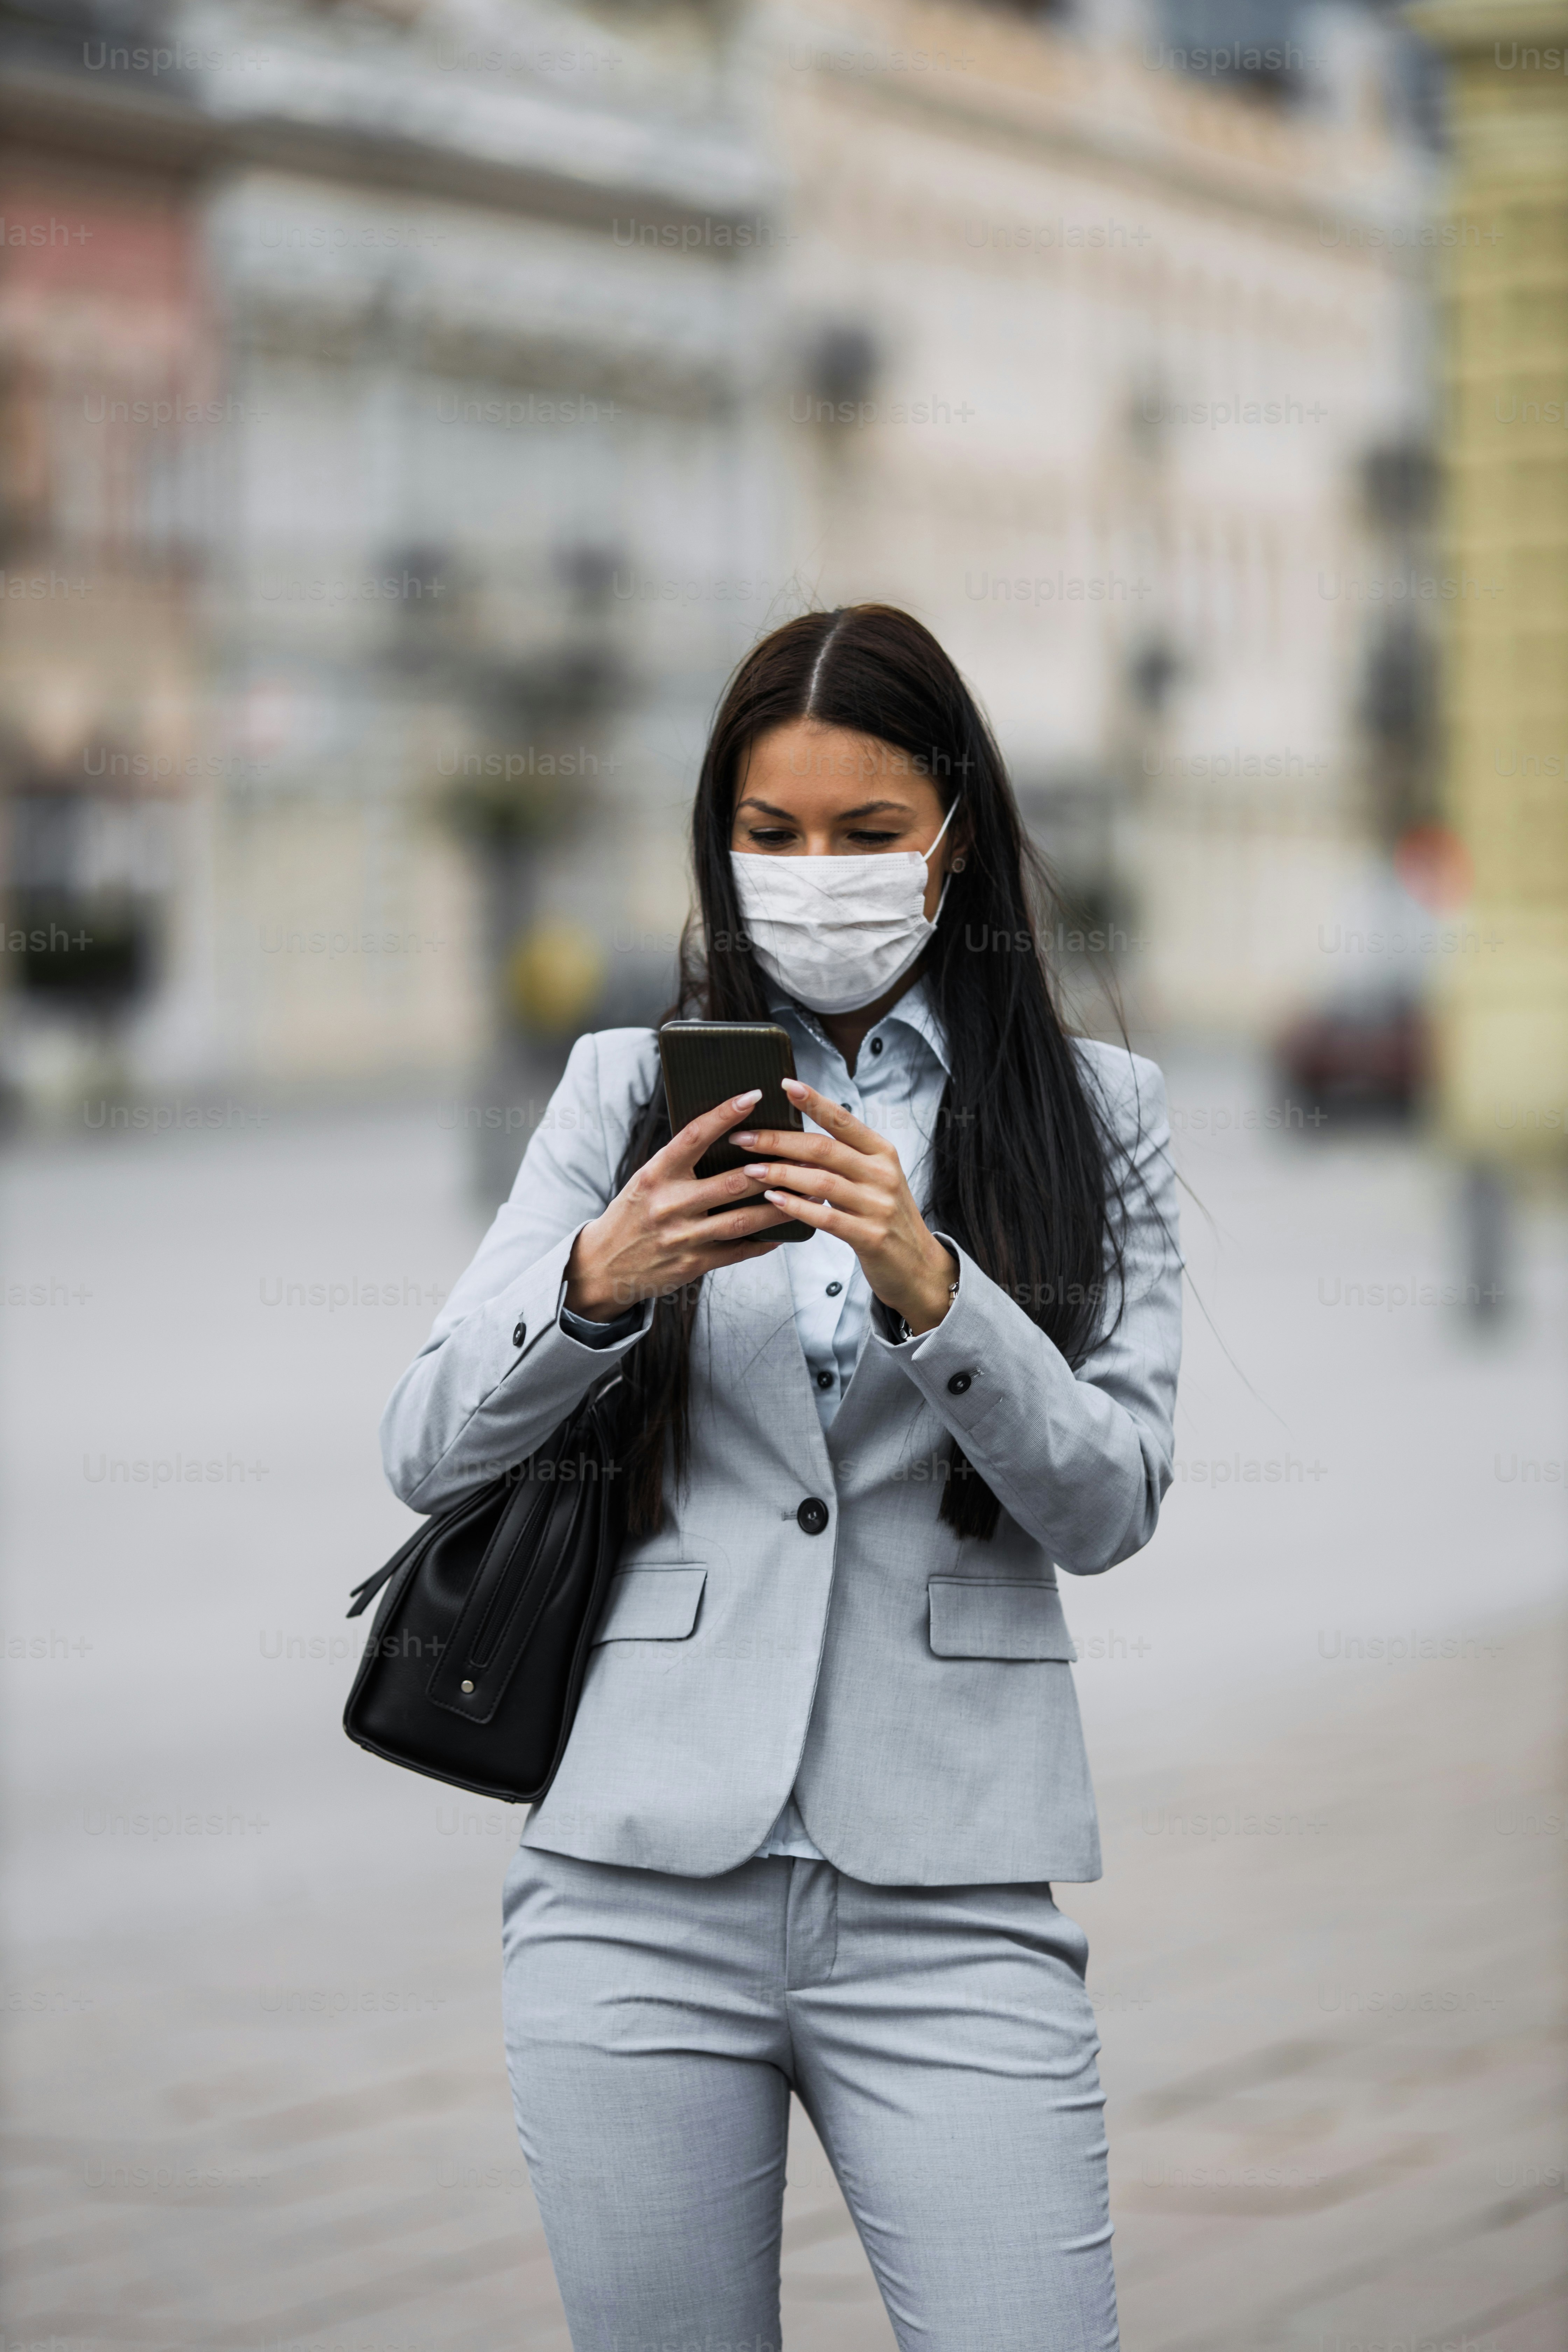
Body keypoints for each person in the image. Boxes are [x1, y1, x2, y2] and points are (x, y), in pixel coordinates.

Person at [380, 604, 1182, 2352]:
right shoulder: (619, 1094)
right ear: (719, 843)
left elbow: (1110, 1499)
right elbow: (426, 1441)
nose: (815, 875)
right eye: (772, 836)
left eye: (868, 835)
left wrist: (937, 1289)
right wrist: (599, 1281)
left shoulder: (1092, 1113)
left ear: (955, 838)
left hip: (952, 1888)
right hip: (633, 1885)